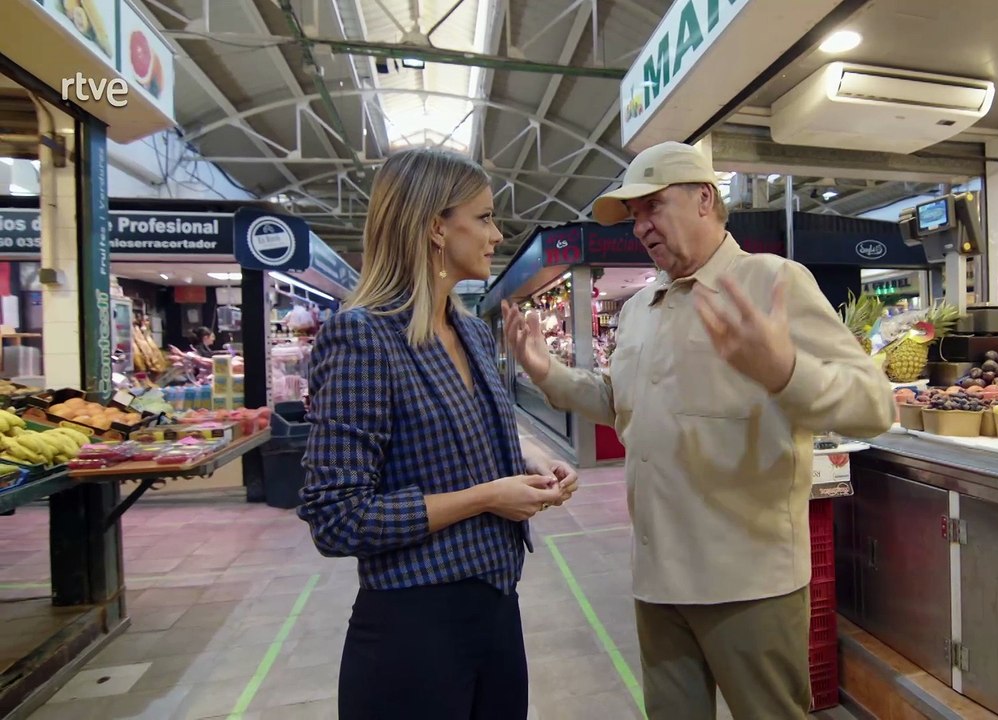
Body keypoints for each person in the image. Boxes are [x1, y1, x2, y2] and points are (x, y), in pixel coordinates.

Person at [502, 141, 894, 720]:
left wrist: (785, 371)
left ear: (705, 198)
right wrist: (547, 372)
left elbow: (874, 404)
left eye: (652, 206)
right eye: (633, 216)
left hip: (748, 582)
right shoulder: (642, 309)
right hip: (657, 580)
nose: (639, 227)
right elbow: (621, 402)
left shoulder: (770, 283)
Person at [297, 146, 580, 720]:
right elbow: (337, 516)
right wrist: (487, 497)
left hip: (496, 608)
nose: (497, 234)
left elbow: (466, 438)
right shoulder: (363, 338)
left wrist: (526, 464)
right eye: (483, 217)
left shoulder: (472, 334)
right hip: (414, 627)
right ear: (434, 227)